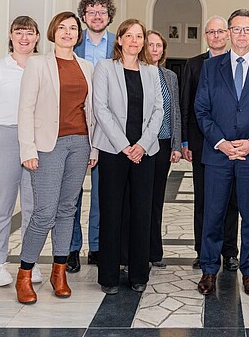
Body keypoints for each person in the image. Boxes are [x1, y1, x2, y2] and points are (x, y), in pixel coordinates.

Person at [195, 9, 249, 297]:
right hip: (218, 154)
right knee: (213, 214)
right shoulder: (211, 67)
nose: (242, 34)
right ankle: (209, 269)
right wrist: (221, 142)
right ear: (229, 32)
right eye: (237, 29)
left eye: (247, 29)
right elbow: (202, 110)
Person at [16, 11, 96, 304]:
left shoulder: (86, 66)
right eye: (62, 28)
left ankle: (59, 272)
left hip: (79, 144)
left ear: (79, 34)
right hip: (47, 146)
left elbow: (92, 112)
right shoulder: (38, 64)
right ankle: (24, 274)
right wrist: (28, 149)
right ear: (53, 32)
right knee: (44, 213)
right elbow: (25, 108)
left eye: (73, 28)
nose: (67, 32)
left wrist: (93, 148)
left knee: (67, 210)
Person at [93, 19, 163, 295]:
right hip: (113, 151)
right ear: (119, 39)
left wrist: (142, 145)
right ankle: (109, 277)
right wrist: (124, 146)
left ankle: (138, 273)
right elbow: (101, 109)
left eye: (139, 36)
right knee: (111, 212)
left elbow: (159, 111)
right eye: (129, 36)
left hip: (145, 152)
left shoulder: (151, 72)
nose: (135, 41)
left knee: (141, 213)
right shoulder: (105, 68)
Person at [0, 16, 42, 287]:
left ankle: (30, 262)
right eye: (19, 32)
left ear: (37, 37)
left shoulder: (43, 66)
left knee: (33, 206)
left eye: (29, 33)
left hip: (36, 140)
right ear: (11, 36)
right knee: (1, 205)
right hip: (3, 137)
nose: (24, 38)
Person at [180, 16, 240, 271]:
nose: (215, 36)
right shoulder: (193, 65)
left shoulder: (236, 62)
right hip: (202, 143)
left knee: (231, 200)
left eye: (219, 32)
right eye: (210, 32)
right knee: (204, 201)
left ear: (227, 35)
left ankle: (229, 251)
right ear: (205, 36)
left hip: (233, 144)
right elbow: (185, 106)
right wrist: (184, 141)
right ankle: (203, 250)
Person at [68, 0, 117, 273]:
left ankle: (97, 247)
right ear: (83, 16)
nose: (97, 15)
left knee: (102, 193)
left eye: (102, 11)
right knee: (72, 193)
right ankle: (72, 247)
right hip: (76, 125)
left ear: (109, 16)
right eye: (91, 11)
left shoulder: (118, 45)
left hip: (109, 129)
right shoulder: (72, 44)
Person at [147, 30, 182, 268]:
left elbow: (175, 111)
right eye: (150, 45)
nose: (155, 50)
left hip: (163, 144)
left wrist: (176, 144)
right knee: (139, 199)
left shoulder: (169, 76)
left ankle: (153, 251)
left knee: (156, 198)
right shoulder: (136, 72)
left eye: (158, 46)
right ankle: (136, 251)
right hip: (141, 145)